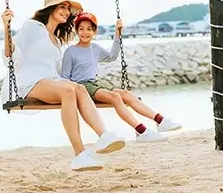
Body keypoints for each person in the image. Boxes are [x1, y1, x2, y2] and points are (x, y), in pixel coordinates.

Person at [1, 0, 125, 172]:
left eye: (68, 8)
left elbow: (57, 71)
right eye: (62, 7)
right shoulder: (33, 27)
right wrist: (6, 27)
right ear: (50, 8)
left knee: (79, 88)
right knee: (68, 90)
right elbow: (9, 55)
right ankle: (79, 154)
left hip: (49, 82)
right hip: (27, 83)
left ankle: (104, 135)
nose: (66, 11)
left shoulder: (56, 39)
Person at [62, 11, 182, 141]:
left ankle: (160, 121)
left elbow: (112, 56)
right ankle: (141, 131)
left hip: (95, 84)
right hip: (81, 87)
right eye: (81, 29)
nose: (85, 32)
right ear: (76, 31)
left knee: (126, 94)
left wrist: (117, 34)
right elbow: (64, 77)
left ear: (94, 31)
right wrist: (73, 94)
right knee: (115, 97)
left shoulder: (95, 48)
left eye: (89, 29)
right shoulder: (71, 51)